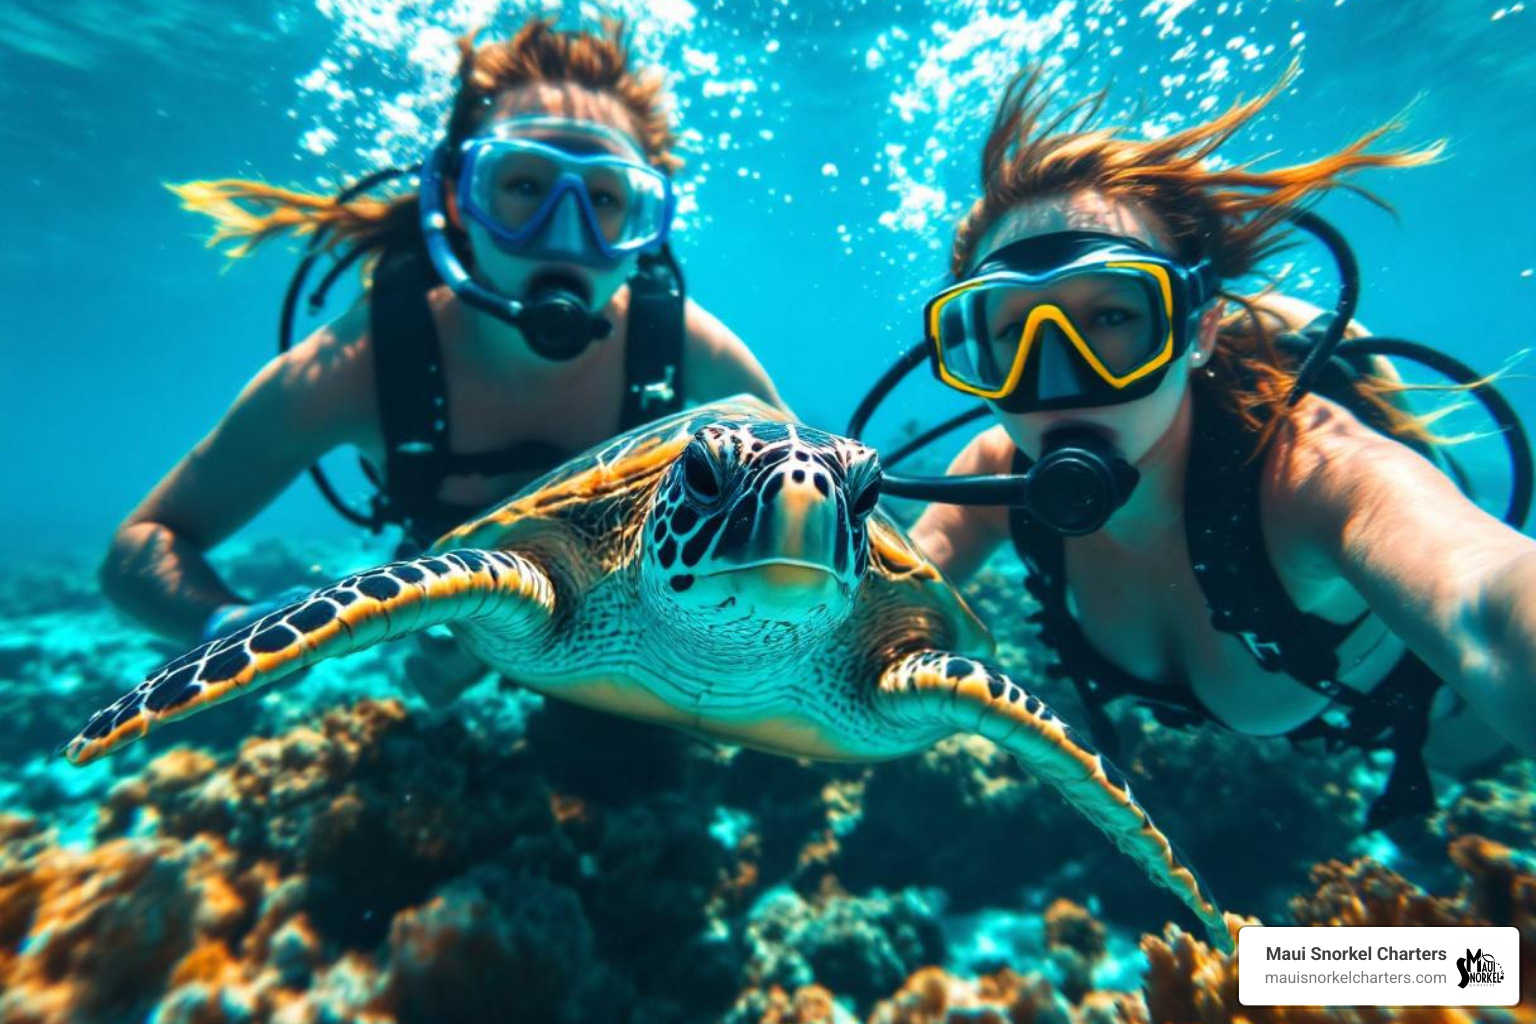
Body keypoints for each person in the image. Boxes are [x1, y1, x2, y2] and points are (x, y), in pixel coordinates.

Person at [881, 67, 1535, 830]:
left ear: (1198, 331)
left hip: (1447, 725)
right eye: (1009, 332)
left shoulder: (1309, 472)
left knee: (1475, 800)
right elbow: (872, 621)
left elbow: (1487, 603)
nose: (1059, 380)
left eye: (1115, 317)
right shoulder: (997, 476)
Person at [98, 18, 785, 694]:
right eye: (522, 188)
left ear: (646, 225)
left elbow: (832, 506)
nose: (563, 233)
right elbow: (142, 543)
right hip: (450, 598)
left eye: (605, 198)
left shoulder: (682, 344)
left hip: (620, 610)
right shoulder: (361, 363)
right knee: (442, 670)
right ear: (458, 200)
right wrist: (225, 622)